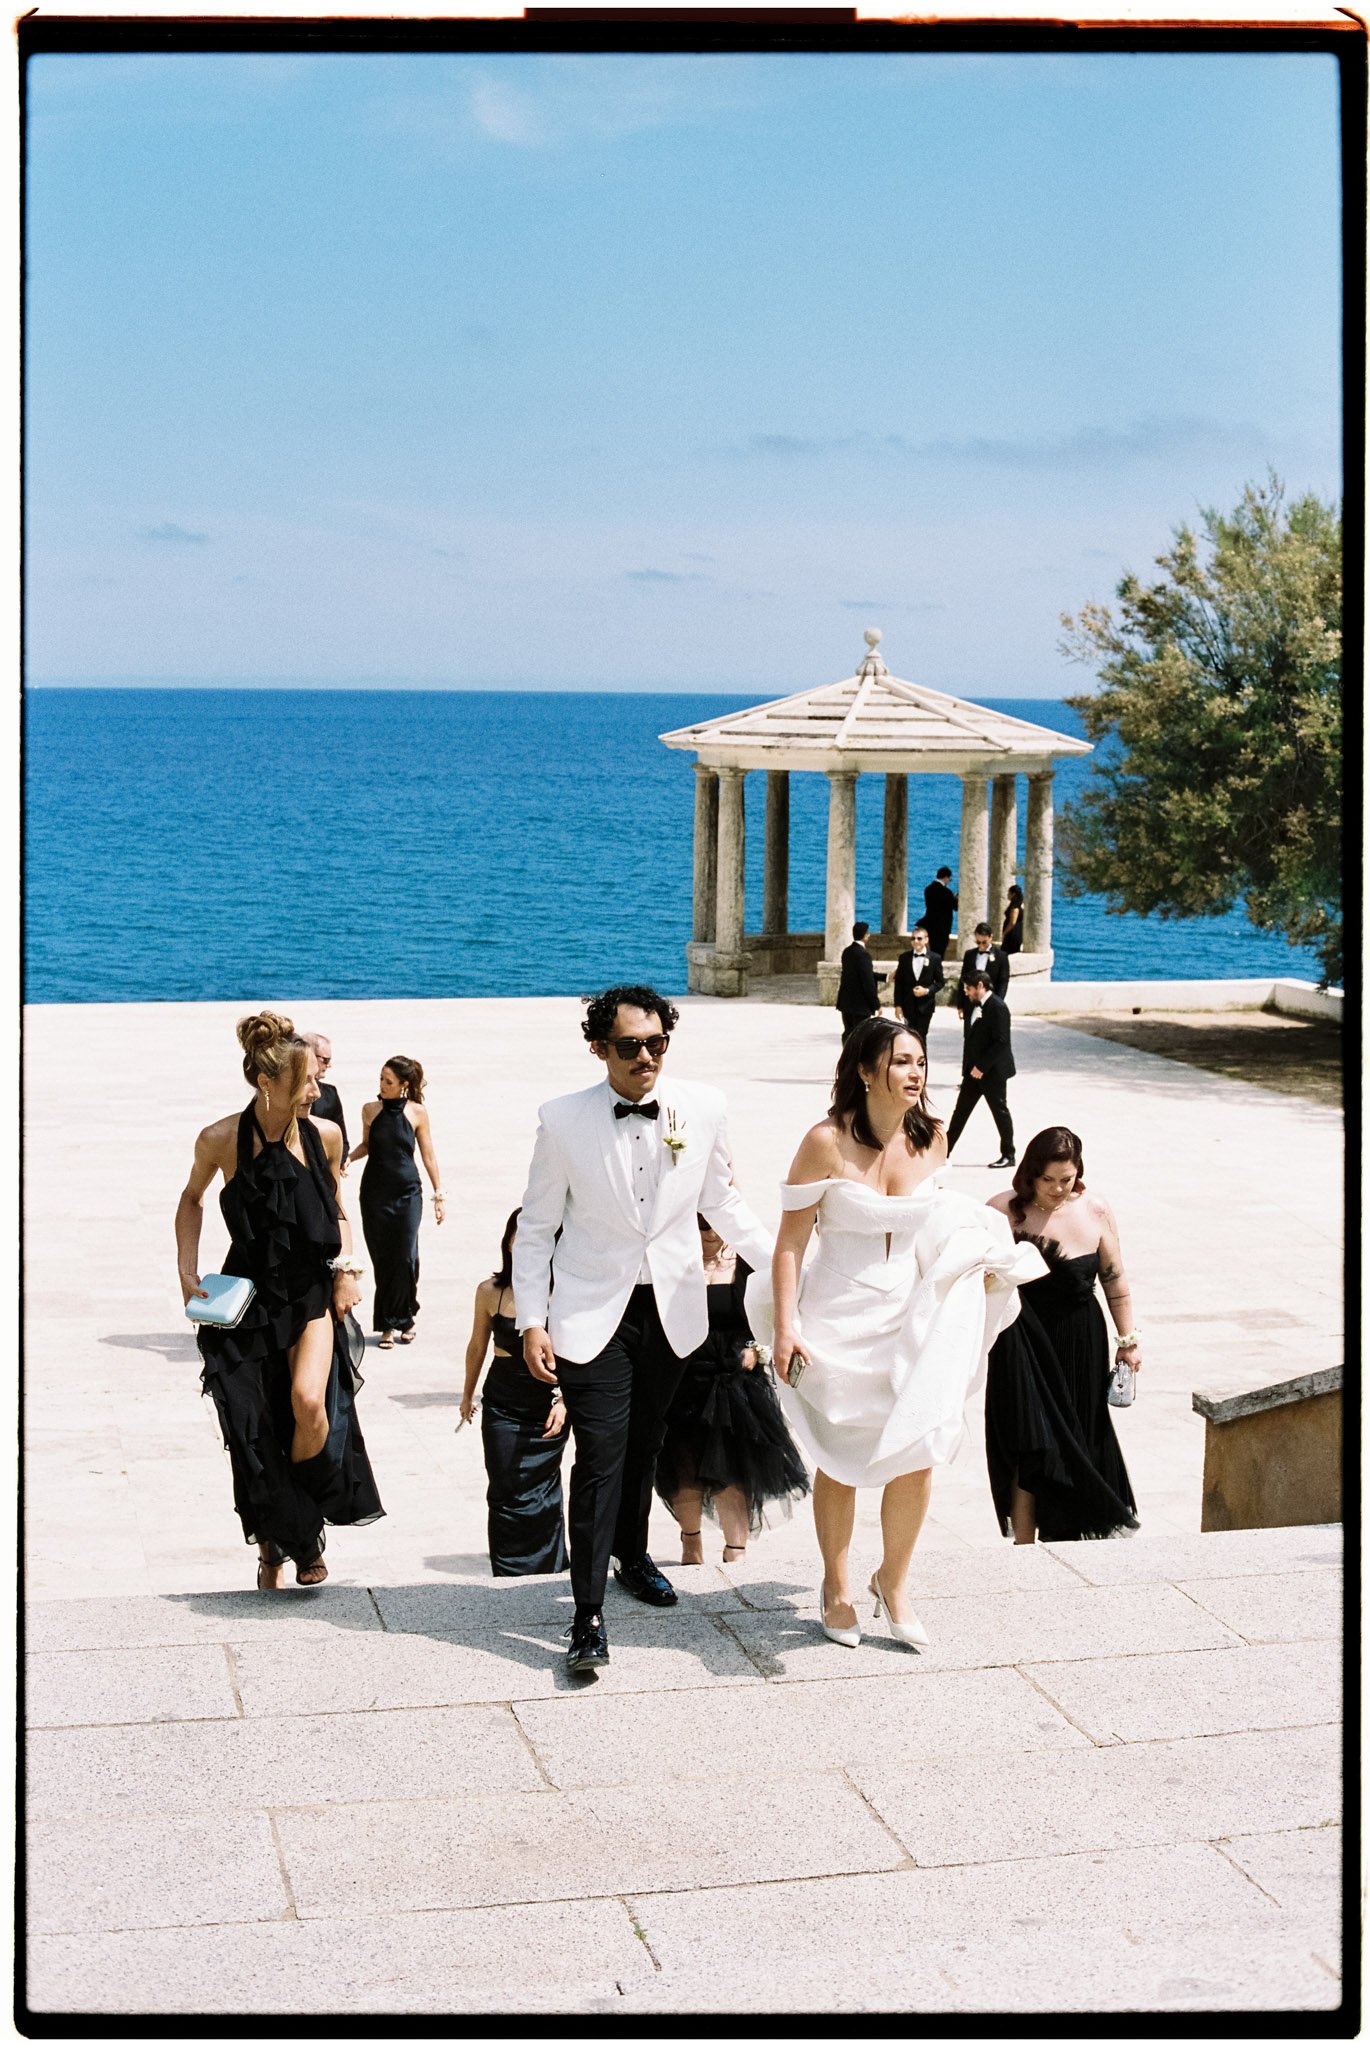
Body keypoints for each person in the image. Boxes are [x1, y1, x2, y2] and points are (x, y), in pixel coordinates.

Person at [514, 983, 773, 1677]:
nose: (647, 1057)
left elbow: (723, 1201)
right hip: (591, 1312)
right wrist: (532, 1320)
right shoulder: (562, 1119)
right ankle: (587, 1616)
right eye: (630, 1046)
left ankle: (633, 1555)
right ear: (599, 1048)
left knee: (645, 1445)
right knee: (599, 1457)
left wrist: (786, 1268)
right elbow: (536, 1229)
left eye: (658, 1043)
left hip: (673, 1310)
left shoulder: (704, 1106)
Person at [762, 1017, 1042, 1650]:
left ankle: (893, 1580)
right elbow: (789, 1245)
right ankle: (836, 1585)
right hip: (836, 1318)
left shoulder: (932, 1137)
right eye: (901, 1062)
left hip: (911, 1315)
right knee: (839, 1457)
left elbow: (938, 1222)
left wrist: (975, 1264)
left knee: (919, 1449)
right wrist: (785, 1327)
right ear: (865, 1071)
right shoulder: (824, 1142)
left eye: (920, 1061)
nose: (916, 1073)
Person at [175, 1011, 384, 1588]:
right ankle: (280, 1545)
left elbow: (338, 1208)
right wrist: (187, 1269)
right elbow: (191, 1199)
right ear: (268, 1082)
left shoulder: (326, 1136)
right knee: (255, 1429)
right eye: (306, 1081)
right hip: (245, 1299)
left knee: (308, 1404)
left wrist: (347, 1270)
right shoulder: (220, 1139)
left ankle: (297, 1525)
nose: (317, 1090)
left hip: (311, 1291)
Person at [984, 1127, 1140, 1543]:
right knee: (1026, 1437)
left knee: (1078, 1433)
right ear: (1030, 1173)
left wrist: (1128, 1342)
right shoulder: (1000, 1211)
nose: (1056, 1188)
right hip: (1019, 1342)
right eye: (1047, 1179)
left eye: (1066, 1179)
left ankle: (1068, 1536)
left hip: (1080, 1340)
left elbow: (1114, 1279)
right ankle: (1023, 1543)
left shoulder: (1096, 1210)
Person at [656, 1215, 809, 1566]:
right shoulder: (675, 1264)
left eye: (715, 1225)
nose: (710, 1233)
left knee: (734, 1467)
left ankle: (735, 1549)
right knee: (682, 1464)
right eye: (701, 1225)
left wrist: (758, 1349)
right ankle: (690, 1543)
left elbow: (775, 1315)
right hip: (684, 1378)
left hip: (736, 1382)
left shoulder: (749, 1262)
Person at [461, 1209, 569, 1577]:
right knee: (505, 1484)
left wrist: (566, 1401)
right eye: (516, 1234)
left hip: (549, 1403)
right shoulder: (489, 1291)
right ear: (507, 1242)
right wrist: (467, 1396)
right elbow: (477, 1346)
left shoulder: (565, 1292)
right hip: (502, 1402)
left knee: (543, 1487)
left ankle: (549, 1566)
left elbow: (584, 1353)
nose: (523, 1243)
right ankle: (508, 1568)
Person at [350, 1056, 444, 1349]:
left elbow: (428, 1154)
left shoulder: (417, 1112)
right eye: (381, 1079)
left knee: (405, 1257)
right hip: (374, 1194)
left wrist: (439, 1194)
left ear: (404, 1084)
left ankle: (405, 1317)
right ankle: (388, 1325)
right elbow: (367, 1145)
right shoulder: (370, 1110)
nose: (382, 1085)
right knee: (383, 1259)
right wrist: (348, 1158)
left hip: (407, 1193)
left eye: (388, 1081)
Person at [945, 969, 1016, 1168]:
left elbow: (1001, 1042)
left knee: (1000, 1112)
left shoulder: (998, 1007)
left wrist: (982, 1067)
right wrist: (970, 1067)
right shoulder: (973, 1005)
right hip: (972, 1072)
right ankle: (943, 1152)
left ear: (980, 986)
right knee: (960, 1112)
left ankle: (1008, 1155)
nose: (966, 992)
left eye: (968, 988)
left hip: (992, 1072)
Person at [302, 1032, 349, 1170]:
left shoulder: (330, 1093)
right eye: (326, 1060)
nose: (329, 1065)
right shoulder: (287, 1092)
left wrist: (337, 1163)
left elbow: (343, 1139)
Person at [891, 924, 944, 1043]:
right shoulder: (904, 958)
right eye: (913, 938)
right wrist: (898, 1005)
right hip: (908, 1005)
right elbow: (899, 983)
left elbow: (940, 982)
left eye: (919, 938)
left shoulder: (935, 958)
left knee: (921, 1037)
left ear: (926, 940)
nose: (915, 941)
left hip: (925, 1006)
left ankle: (922, 1055)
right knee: (909, 1036)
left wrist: (926, 991)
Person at [835, 921, 885, 1041]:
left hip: (846, 1002)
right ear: (865, 935)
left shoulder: (846, 952)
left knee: (848, 1034)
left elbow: (858, 974)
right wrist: (876, 1004)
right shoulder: (863, 955)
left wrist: (886, 977)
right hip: (860, 1005)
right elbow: (867, 981)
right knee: (860, 1037)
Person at [955, 922, 1011, 1014]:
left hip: (991, 1004)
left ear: (990, 937)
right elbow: (963, 980)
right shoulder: (969, 955)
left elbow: (1003, 982)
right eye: (978, 942)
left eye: (984, 942)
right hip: (970, 1003)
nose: (981, 945)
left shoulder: (1001, 956)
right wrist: (960, 1005)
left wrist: (998, 1003)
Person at [922, 867, 958, 957]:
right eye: (949, 879)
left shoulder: (928, 889)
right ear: (946, 877)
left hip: (930, 925)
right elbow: (955, 907)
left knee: (933, 950)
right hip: (943, 927)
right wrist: (956, 898)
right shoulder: (947, 892)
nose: (949, 881)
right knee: (940, 952)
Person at [1000, 884, 1025, 957]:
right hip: (1016, 932)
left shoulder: (1015, 907)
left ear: (1013, 894)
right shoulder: (1020, 904)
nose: (1007, 895)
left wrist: (1005, 933)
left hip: (1012, 934)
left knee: (1006, 952)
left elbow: (1012, 923)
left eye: (1009, 893)